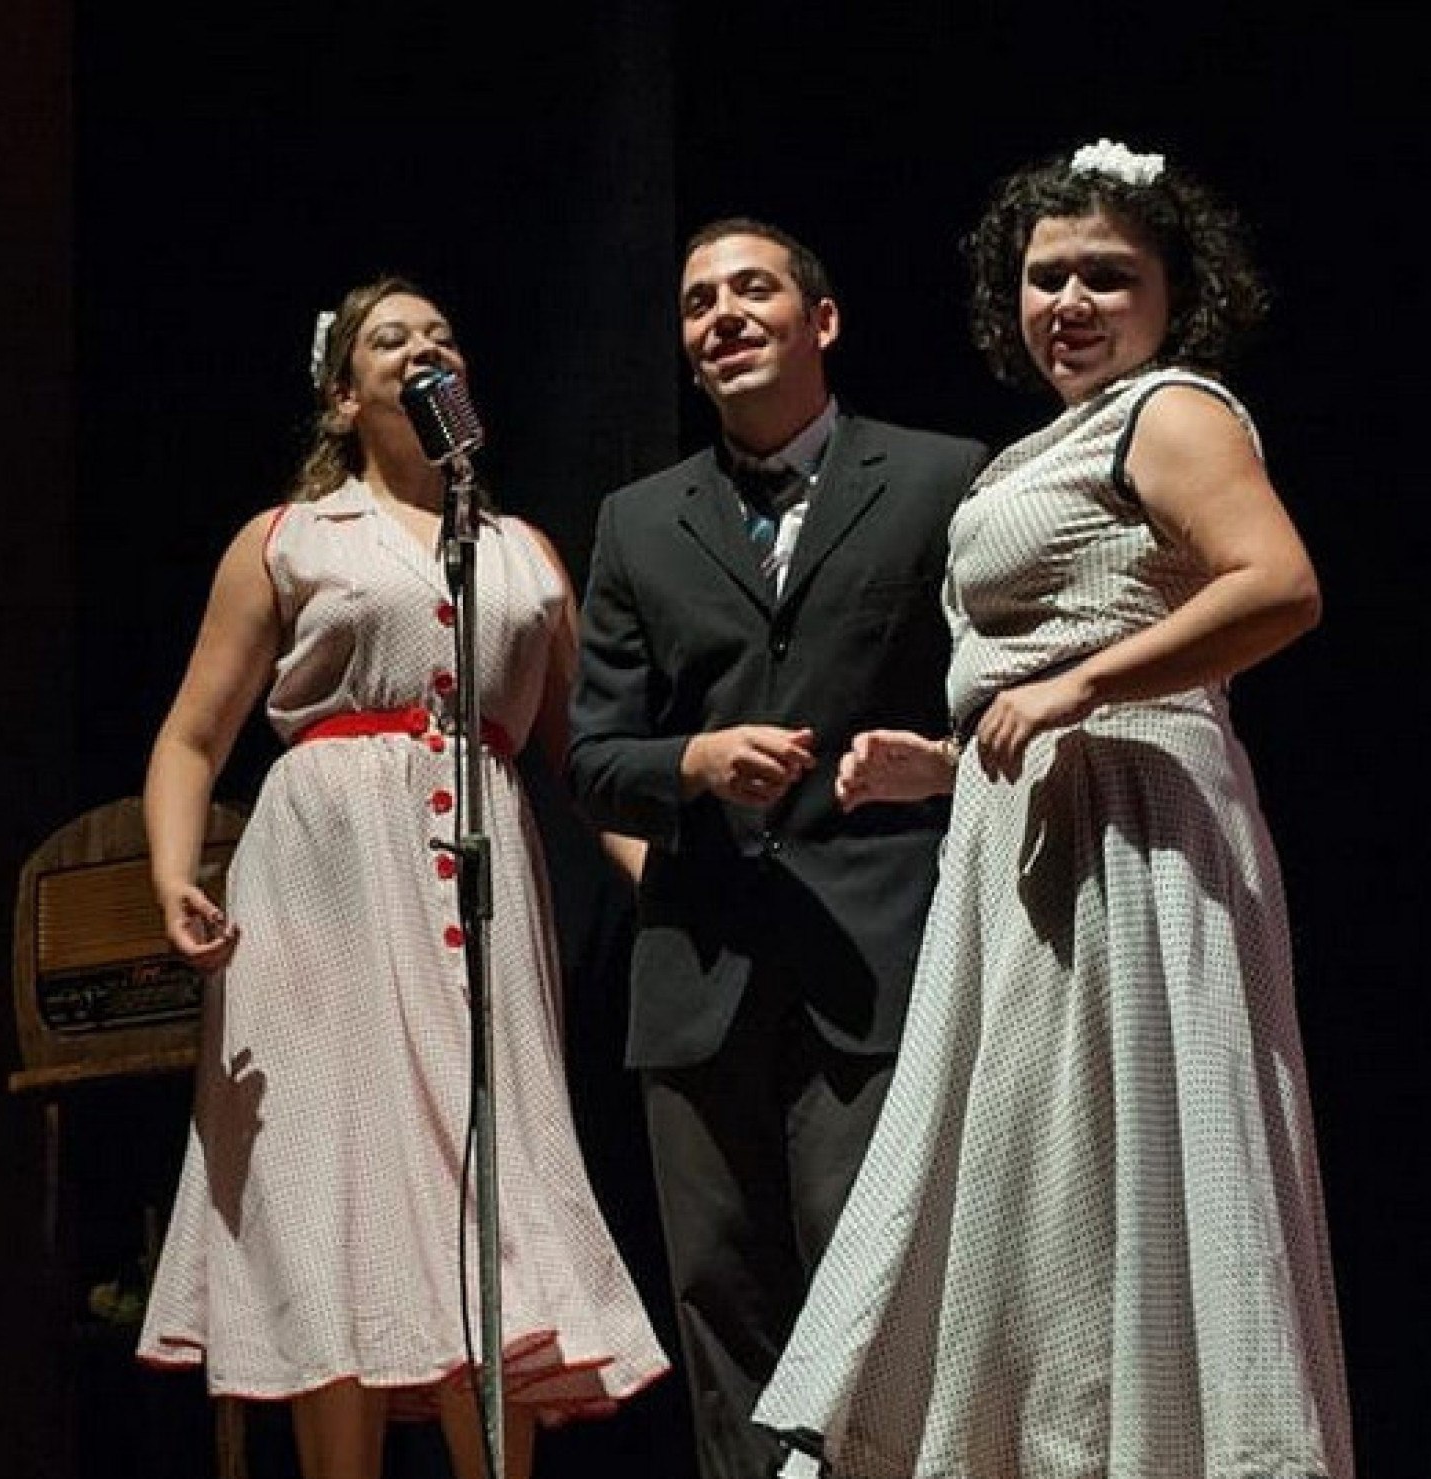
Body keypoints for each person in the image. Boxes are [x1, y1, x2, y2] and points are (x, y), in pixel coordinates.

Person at [752, 139, 1354, 1479]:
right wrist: (945, 754)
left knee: (1131, 1153)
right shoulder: (1050, 441)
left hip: (1135, 833)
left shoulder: (1173, 411)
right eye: (1044, 276)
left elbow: (1276, 585)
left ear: (1169, 292)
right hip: (1029, 835)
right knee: (1042, 1178)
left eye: (1105, 275)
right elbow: (1029, 665)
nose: (1068, 301)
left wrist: (1077, 686)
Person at [135, 274, 668, 1479]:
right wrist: (176, 873)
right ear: (341, 397)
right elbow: (191, 736)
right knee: (337, 1188)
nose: (424, 348)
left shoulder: (520, 552)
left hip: (479, 885)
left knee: (489, 1186)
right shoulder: (287, 541)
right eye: (391, 339)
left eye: (440, 335)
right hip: (321, 878)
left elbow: (582, 757)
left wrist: (659, 879)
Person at [567, 218, 990, 1479]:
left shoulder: (938, 477)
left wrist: (938, 764)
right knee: (723, 1307)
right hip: (697, 970)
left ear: (823, 320)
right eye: (698, 303)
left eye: (752, 290)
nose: (722, 316)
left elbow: (1001, 693)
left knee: (873, 1295)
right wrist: (689, 763)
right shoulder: (640, 521)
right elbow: (591, 755)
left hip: (879, 953)